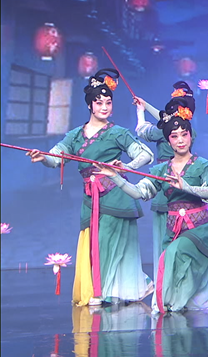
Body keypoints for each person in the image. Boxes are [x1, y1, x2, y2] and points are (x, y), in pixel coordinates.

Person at [94, 97, 208, 312]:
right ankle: (173, 304)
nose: (180, 140)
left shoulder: (202, 165)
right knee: (170, 262)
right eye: (174, 136)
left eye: (184, 134)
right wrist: (115, 177)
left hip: (201, 229)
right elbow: (139, 192)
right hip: (174, 229)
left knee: (175, 252)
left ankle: (174, 304)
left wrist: (187, 187)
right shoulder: (161, 170)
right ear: (168, 141)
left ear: (191, 136)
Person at [26, 69, 154, 306]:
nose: (104, 107)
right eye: (99, 102)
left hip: (115, 194)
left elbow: (145, 154)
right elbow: (56, 157)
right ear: (89, 105)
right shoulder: (75, 135)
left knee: (107, 243)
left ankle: (102, 292)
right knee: (92, 243)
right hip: (90, 198)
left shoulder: (118, 133)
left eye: (108, 102)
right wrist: (42, 157)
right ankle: (107, 289)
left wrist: (124, 167)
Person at [131, 81, 197, 275]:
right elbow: (164, 118)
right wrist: (145, 105)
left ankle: (165, 277)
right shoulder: (190, 132)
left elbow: (142, 129)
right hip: (184, 180)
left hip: (166, 181)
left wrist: (140, 111)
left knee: (163, 235)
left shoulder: (163, 132)